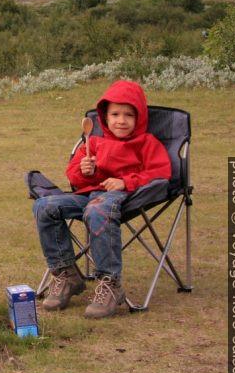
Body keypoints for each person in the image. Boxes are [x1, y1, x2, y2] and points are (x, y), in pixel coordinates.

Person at [33, 80, 171, 318]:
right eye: (115, 114)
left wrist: (126, 182)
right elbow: (74, 177)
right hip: (90, 195)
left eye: (129, 115)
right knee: (45, 205)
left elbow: (161, 172)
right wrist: (86, 171)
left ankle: (110, 283)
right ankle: (66, 274)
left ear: (139, 118)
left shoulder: (147, 143)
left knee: (96, 211)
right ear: (104, 117)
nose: (121, 120)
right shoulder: (93, 142)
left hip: (126, 198)